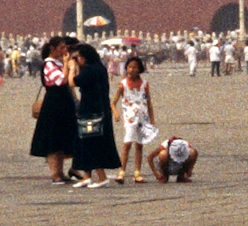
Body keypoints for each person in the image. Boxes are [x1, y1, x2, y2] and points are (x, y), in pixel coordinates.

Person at [70, 41, 121, 186]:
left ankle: (101, 177)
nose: (77, 59)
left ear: (85, 57)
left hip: (92, 110)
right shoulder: (98, 67)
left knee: (92, 141)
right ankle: (87, 176)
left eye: (78, 57)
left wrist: (71, 68)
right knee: (84, 140)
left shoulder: (90, 70)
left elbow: (72, 82)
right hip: (97, 108)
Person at [29, 38, 76, 182]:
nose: (64, 51)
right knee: (52, 139)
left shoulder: (58, 63)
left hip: (63, 102)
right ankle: (55, 173)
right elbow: (60, 80)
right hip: (54, 103)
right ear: (53, 48)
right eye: (61, 47)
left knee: (61, 138)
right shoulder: (49, 64)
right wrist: (68, 65)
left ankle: (61, 172)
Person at [115, 55, 155, 183]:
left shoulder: (144, 84)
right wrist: (116, 113)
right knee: (127, 143)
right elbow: (113, 102)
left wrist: (152, 119)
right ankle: (122, 171)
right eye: (130, 67)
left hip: (143, 117)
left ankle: (137, 172)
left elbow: (148, 102)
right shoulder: (123, 84)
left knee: (139, 144)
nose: (132, 70)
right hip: (130, 117)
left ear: (139, 69)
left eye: (135, 67)